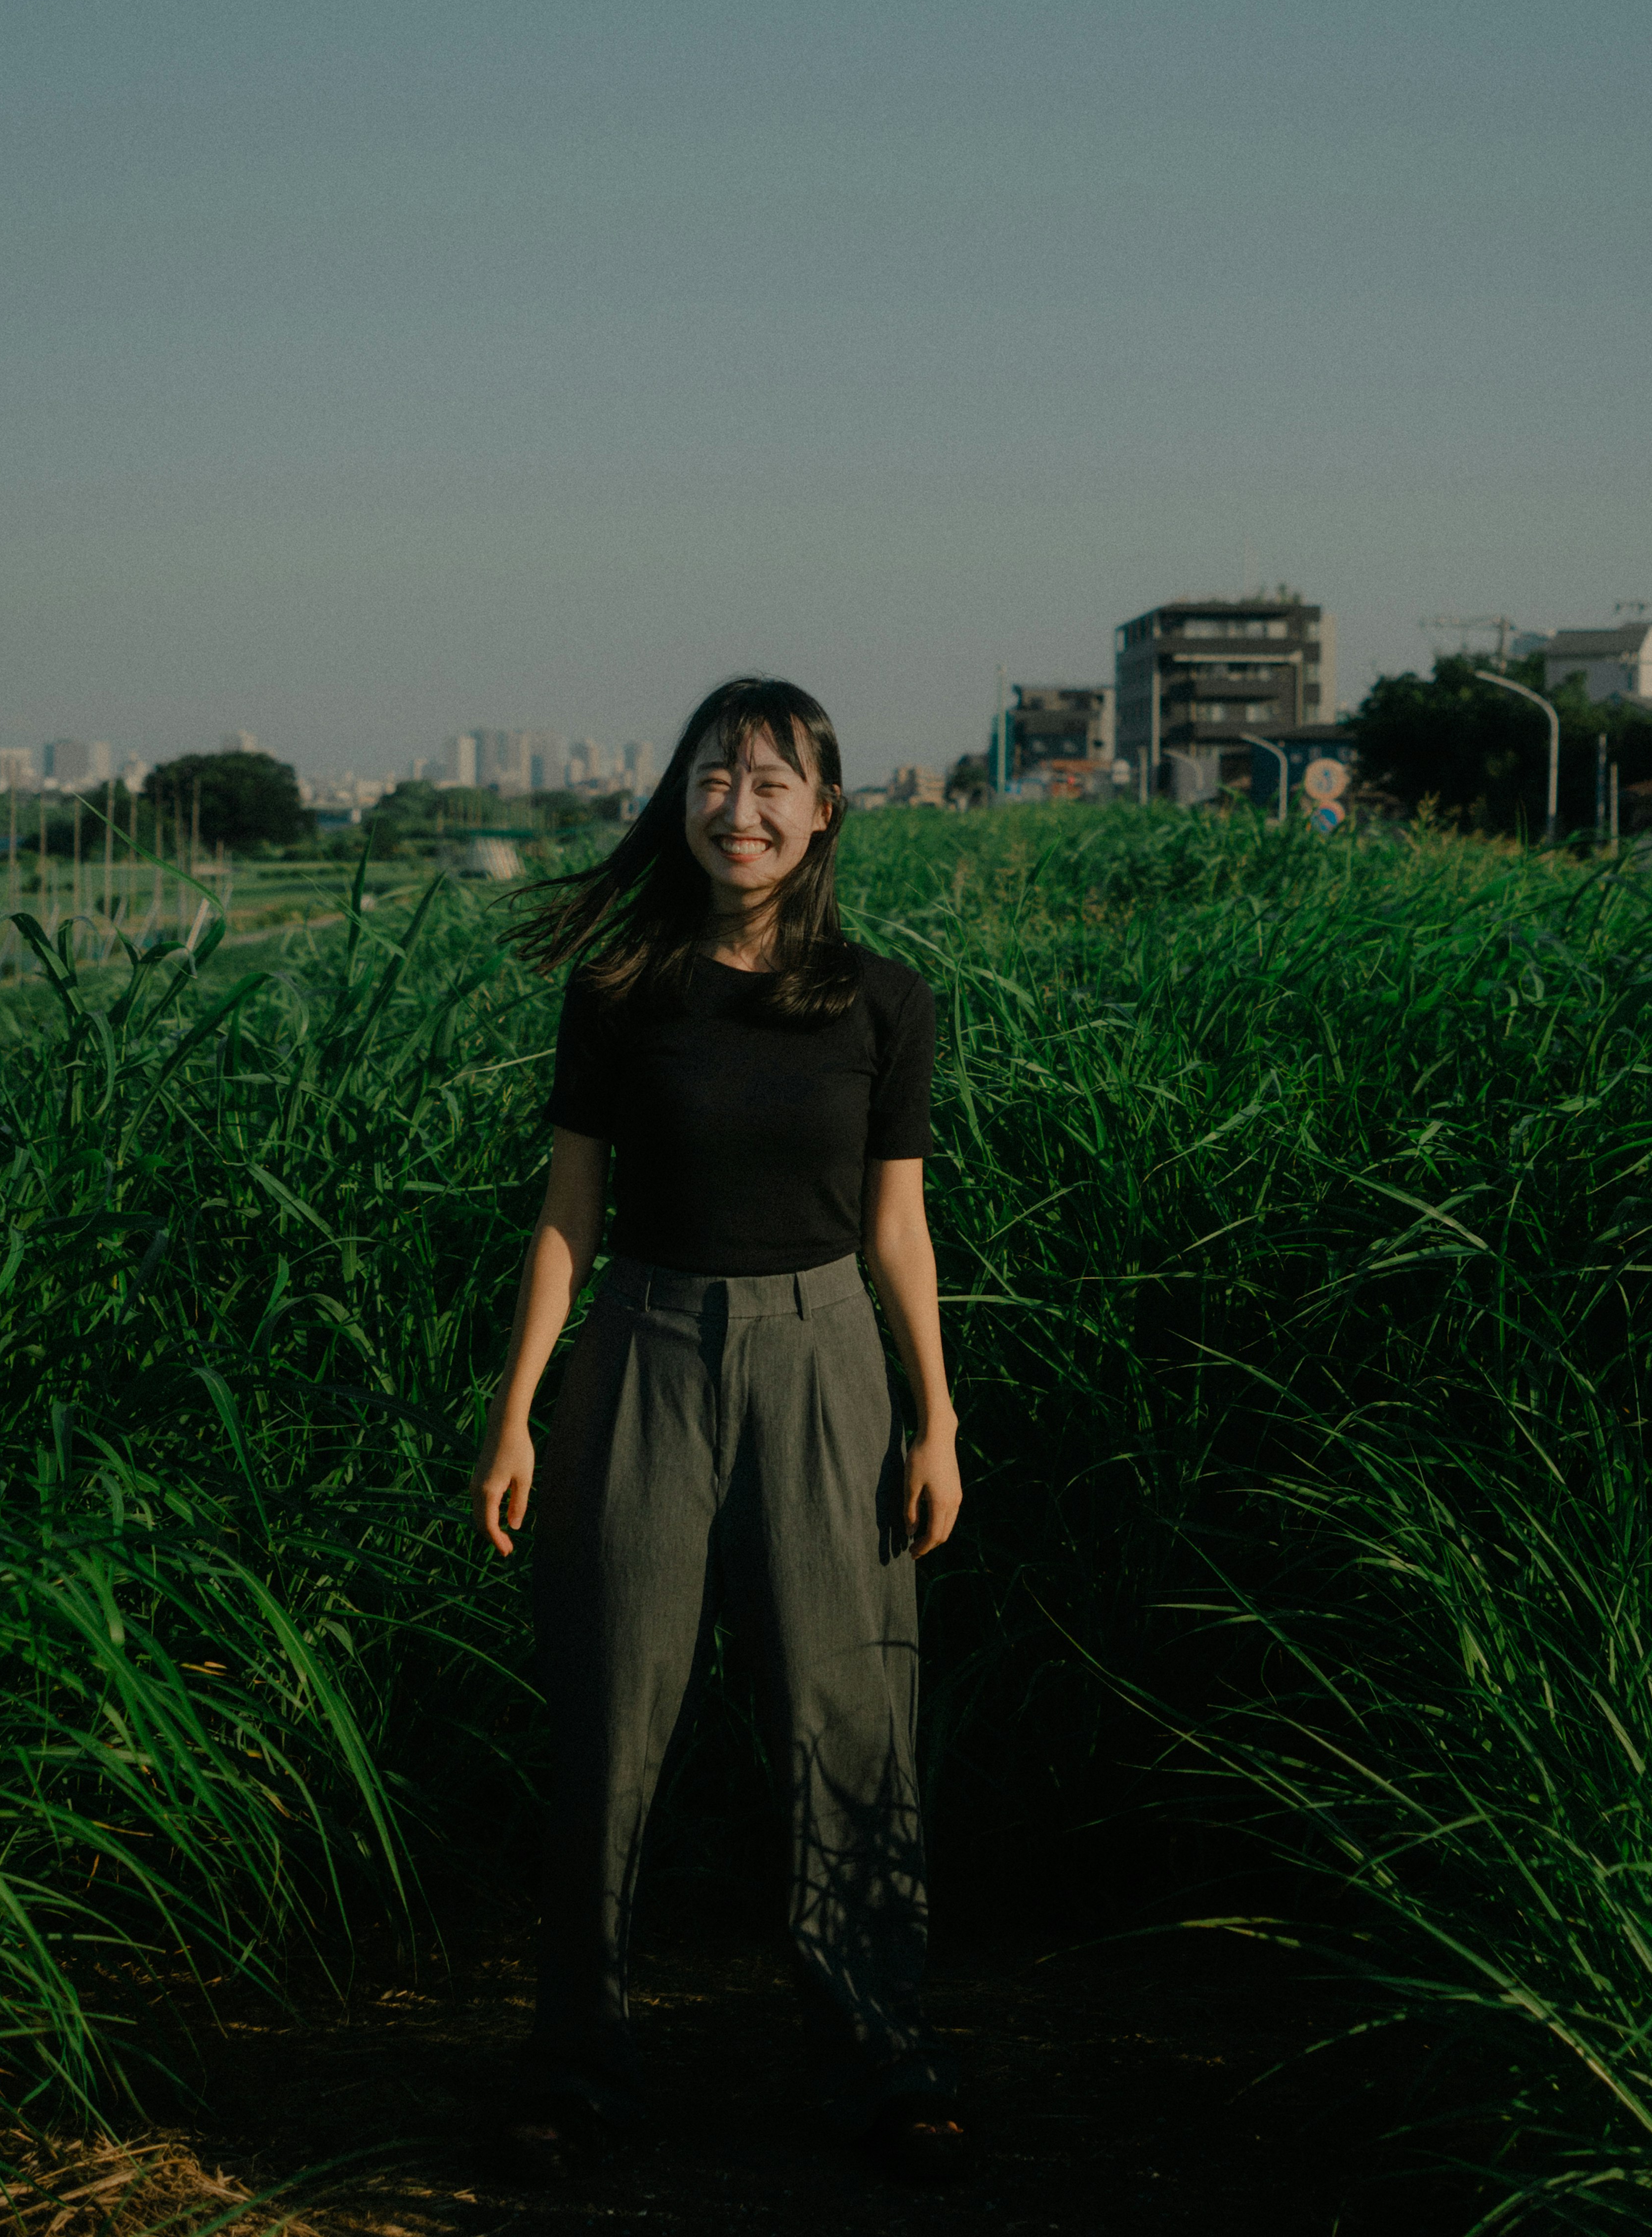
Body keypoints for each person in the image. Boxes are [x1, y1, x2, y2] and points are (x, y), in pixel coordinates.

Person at [470, 676, 966, 2179]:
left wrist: (936, 1418)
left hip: (827, 1366)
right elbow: (570, 1217)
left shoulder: (884, 1001)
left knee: (849, 1717)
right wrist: (519, 1415)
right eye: (712, 778)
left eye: (771, 784)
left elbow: (898, 1230)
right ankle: (581, 2060)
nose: (737, 809)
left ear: (822, 814)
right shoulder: (620, 992)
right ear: (676, 799)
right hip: (644, 1350)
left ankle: (879, 2057)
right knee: (610, 1717)